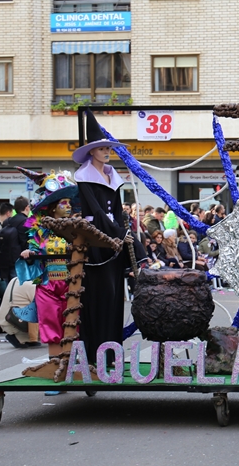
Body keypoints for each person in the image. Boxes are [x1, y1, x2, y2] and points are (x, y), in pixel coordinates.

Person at [73, 110, 148, 365]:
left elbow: (117, 211)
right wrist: (119, 234)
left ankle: (111, 354)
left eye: (108, 148)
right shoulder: (84, 177)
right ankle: (94, 355)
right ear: (91, 151)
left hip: (113, 239)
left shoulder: (112, 176)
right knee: (99, 296)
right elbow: (95, 212)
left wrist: (124, 233)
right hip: (96, 242)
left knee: (116, 297)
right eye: (102, 148)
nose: (107, 151)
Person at [17, 168, 78, 368]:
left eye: (69, 203)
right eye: (63, 203)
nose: (68, 207)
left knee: (73, 325)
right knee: (51, 326)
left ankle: (71, 366)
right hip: (48, 285)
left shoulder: (76, 228)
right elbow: (34, 249)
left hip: (73, 285)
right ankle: (55, 368)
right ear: (52, 208)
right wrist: (29, 253)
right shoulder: (40, 231)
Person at [0, 277, 40, 348]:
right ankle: (25, 338)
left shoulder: (15, 279)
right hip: (14, 322)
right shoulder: (31, 285)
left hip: (6, 319)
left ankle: (26, 338)